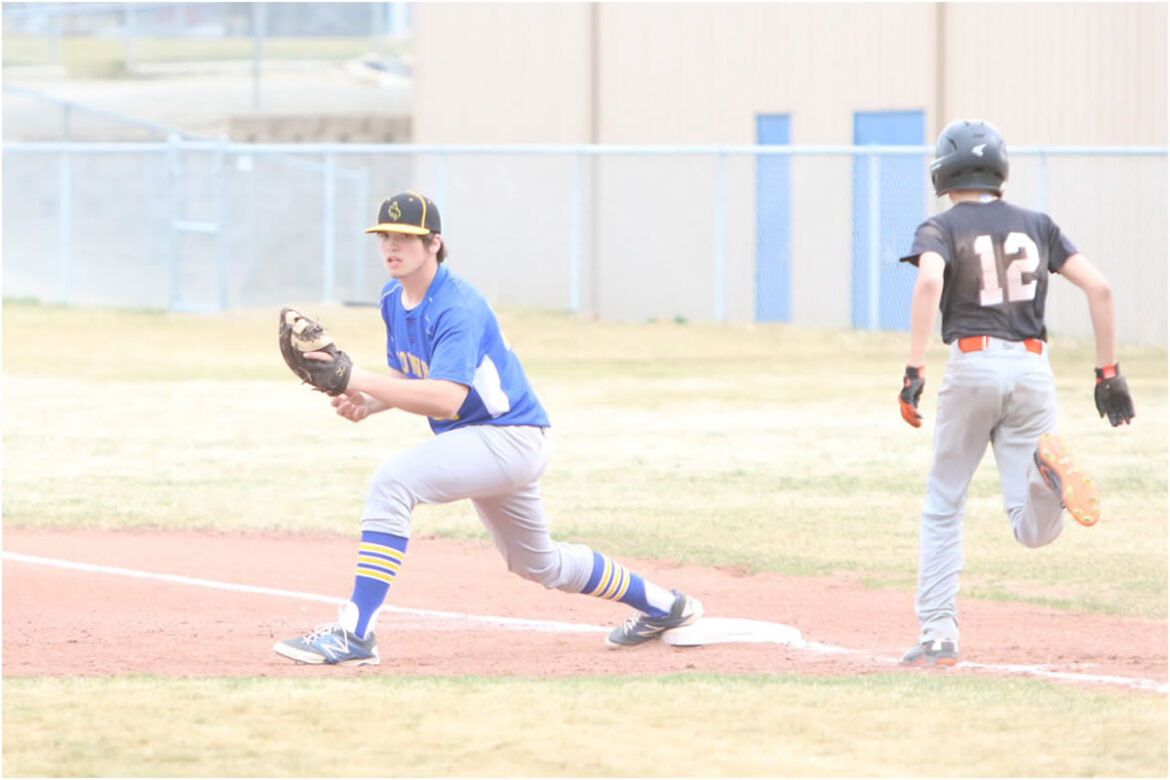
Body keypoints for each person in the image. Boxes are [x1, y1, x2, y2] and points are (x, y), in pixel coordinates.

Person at [273, 191, 702, 665]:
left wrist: (355, 377)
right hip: (485, 440)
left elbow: (446, 397)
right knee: (539, 564)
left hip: (508, 438)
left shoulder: (457, 305)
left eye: (406, 237)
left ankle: (355, 635)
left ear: (434, 243)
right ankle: (667, 606)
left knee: (390, 485)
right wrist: (369, 401)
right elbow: (411, 374)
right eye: (385, 237)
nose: (392, 246)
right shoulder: (393, 298)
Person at [896, 119, 1135, 667]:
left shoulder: (941, 227)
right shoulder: (1037, 223)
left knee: (944, 502)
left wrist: (914, 368)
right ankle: (1048, 479)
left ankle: (938, 635)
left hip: (974, 363)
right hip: (1032, 367)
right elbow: (1099, 286)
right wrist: (1107, 373)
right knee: (1029, 527)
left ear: (943, 171)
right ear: (999, 170)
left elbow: (930, 281)